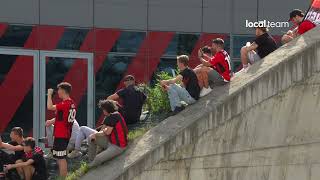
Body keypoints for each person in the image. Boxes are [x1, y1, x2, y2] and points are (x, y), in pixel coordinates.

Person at [47, 82, 76, 178]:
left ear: (63, 91)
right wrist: (52, 121)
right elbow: (61, 118)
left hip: (62, 135)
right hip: (64, 134)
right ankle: (62, 177)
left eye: (58, 90)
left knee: (61, 158)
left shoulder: (65, 103)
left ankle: (63, 177)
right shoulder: (70, 103)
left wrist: (49, 94)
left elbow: (50, 107)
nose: (57, 92)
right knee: (59, 157)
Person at [88, 99, 128, 168]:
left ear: (107, 109)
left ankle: (89, 166)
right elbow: (105, 131)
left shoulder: (113, 116)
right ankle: (91, 160)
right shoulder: (113, 115)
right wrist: (96, 134)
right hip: (110, 142)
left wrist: (97, 133)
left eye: (103, 109)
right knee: (90, 138)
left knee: (98, 158)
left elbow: (107, 132)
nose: (103, 111)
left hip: (118, 146)